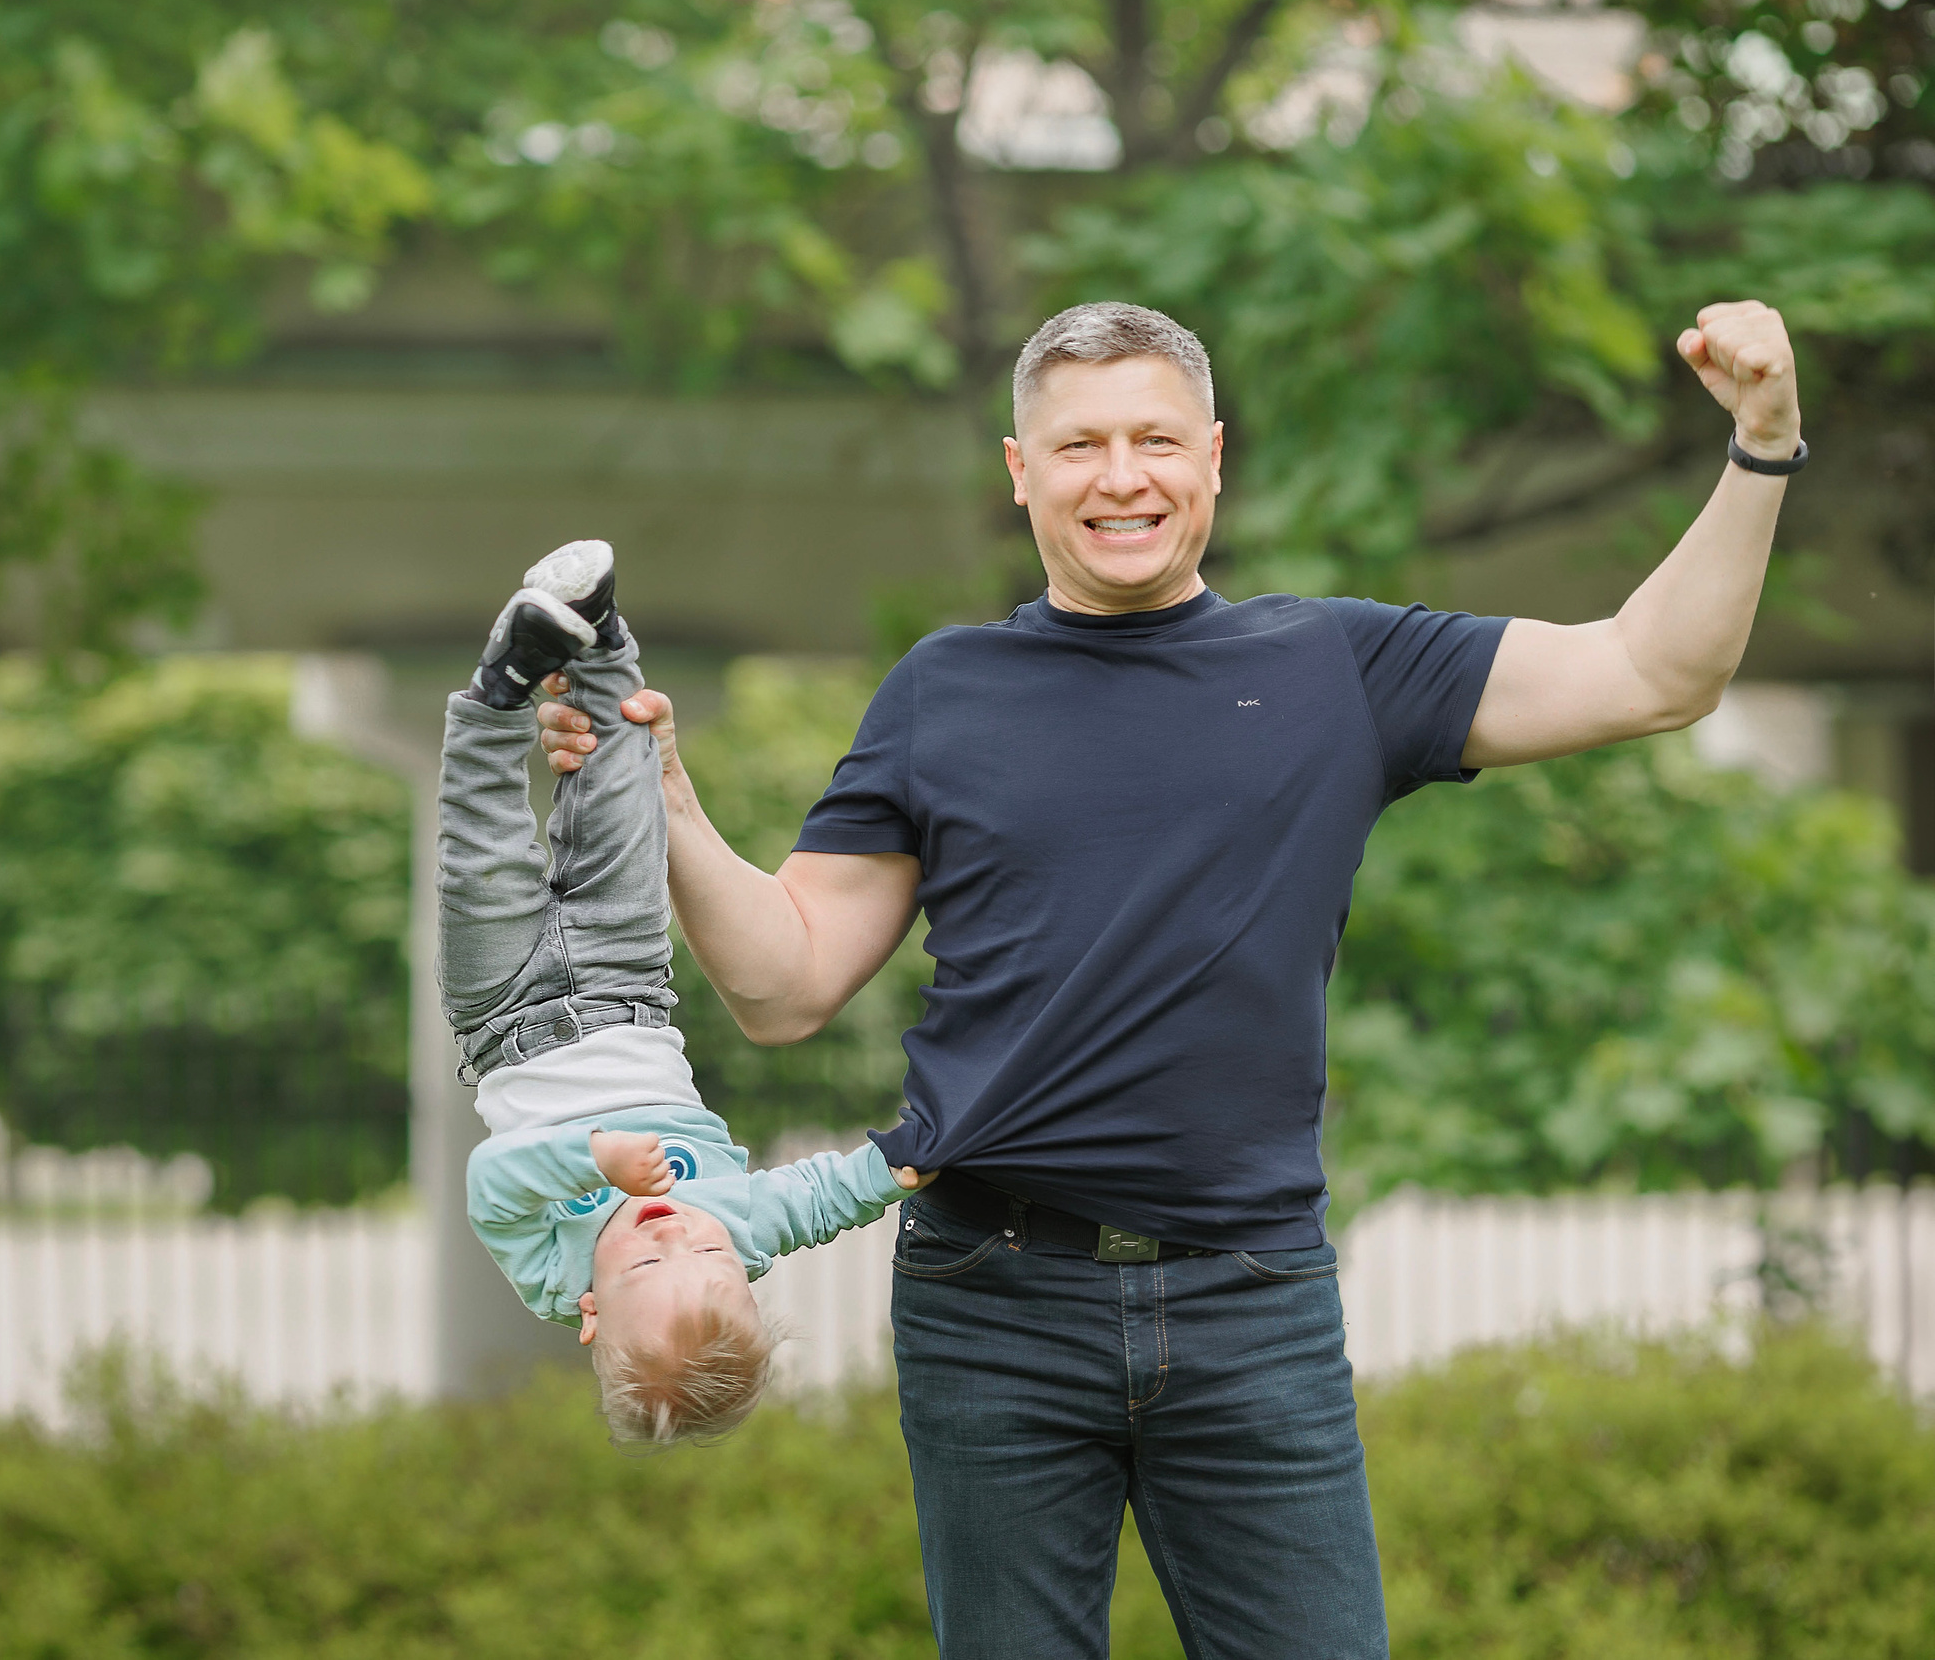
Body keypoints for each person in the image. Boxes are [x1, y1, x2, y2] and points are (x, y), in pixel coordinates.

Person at [536, 300, 1803, 1652]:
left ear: (1213, 457)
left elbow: (1657, 669)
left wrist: (1763, 442)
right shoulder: (943, 688)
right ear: (1022, 471)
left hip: (1248, 1299)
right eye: (1079, 444)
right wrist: (665, 802)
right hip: (992, 1298)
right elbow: (784, 985)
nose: (1120, 475)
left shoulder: (1338, 664)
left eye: (1153, 439)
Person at [441, 539, 929, 1446]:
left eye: (644, 1261)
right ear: (743, 1269)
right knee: (622, 808)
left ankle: (500, 691)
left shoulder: (550, 1269)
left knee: (481, 854)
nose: (674, 1230)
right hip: (628, 984)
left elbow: (492, 1183)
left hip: (501, 1013)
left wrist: (596, 1162)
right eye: (705, 1252)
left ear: (590, 1310)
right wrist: (900, 1164)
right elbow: (822, 1198)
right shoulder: (740, 1223)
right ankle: (597, 630)